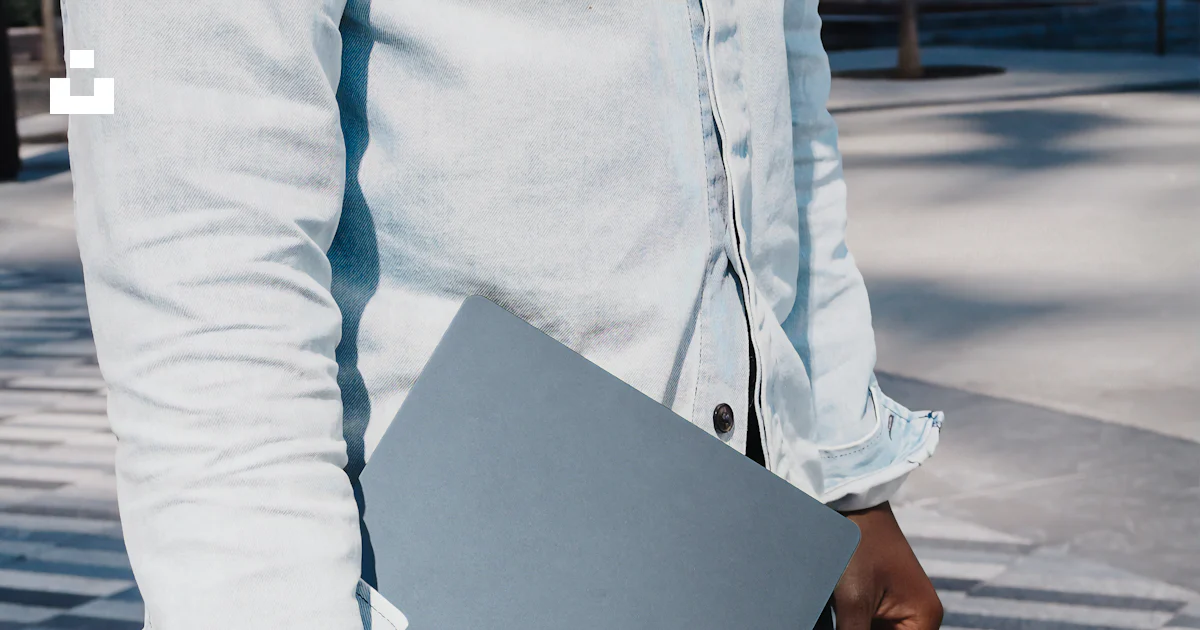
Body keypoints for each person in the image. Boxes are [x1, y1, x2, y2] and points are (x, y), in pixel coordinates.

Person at [63, 1, 945, 628]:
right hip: (444, 576)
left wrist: (843, 481)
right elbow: (204, 284)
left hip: (743, 553)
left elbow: (778, 107)